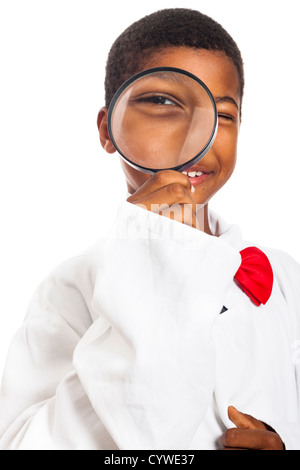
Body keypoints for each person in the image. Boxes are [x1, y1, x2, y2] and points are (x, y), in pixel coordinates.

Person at [0, 8, 299, 450]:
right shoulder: (70, 288)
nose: (200, 135)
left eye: (224, 114)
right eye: (163, 102)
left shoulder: (284, 279)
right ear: (108, 129)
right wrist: (151, 270)